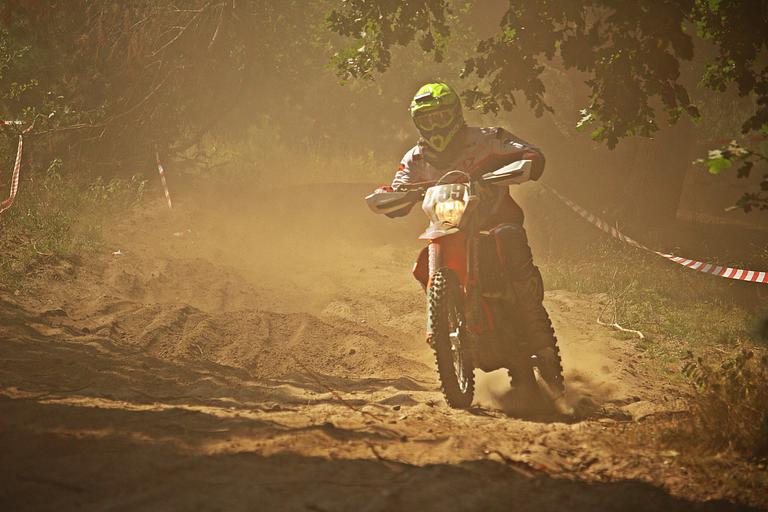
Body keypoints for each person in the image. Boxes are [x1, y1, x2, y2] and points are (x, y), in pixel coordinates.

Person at [379, 82, 564, 396]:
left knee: (509, 239)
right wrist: (390, 197)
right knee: (423, 262)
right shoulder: (415, 158)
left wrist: (525, 163)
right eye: (426, 120)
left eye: (440, 117)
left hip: (495, 222)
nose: (435, 126)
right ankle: (441, 326)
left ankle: (541, 341)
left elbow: (530, 153)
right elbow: (399, 186)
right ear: (417, 123)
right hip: (448, 227)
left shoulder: (487, 139)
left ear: (455, 113)